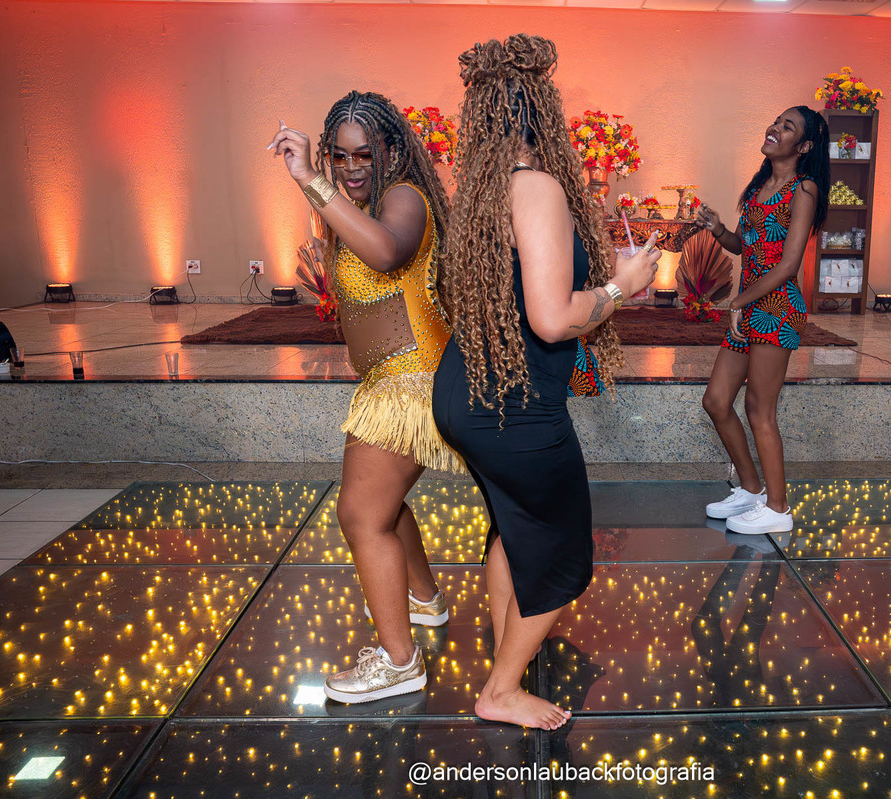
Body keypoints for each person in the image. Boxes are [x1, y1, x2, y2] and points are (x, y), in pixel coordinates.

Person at [433, 35, 661, 730]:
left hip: (469, 392)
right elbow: (553, 318)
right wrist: (620, 287)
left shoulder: (483, 190)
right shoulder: (535, 187)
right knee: (562, 555)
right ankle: (501, 690)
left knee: (512, 529)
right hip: (515, 409)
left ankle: (511, 645)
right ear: (543, 109)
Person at [268, 90, 464, 704]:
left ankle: (400, 664)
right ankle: (424, 601)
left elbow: (384, 253)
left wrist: (309, 178)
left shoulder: (404, 196)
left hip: (411, 382)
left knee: (359, 515)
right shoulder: (362, 203)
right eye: (339, 155)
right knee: (382, 505)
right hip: (389, 379)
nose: (352, 167)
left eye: (365, 154)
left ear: (392, 150)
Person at [696, 106, 829, 535]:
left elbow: (788, 265)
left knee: (759, 409)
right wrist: (718, 229)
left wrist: (737, 302)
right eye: (776, 121)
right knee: (717, 401)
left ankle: (778, 509)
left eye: (788, 127)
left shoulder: (804, 189)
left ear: (803, 146)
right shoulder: (758, 187)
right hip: (749, 307)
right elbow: (745, 245)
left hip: (776, 309)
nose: (775, 128)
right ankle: (752, 490)